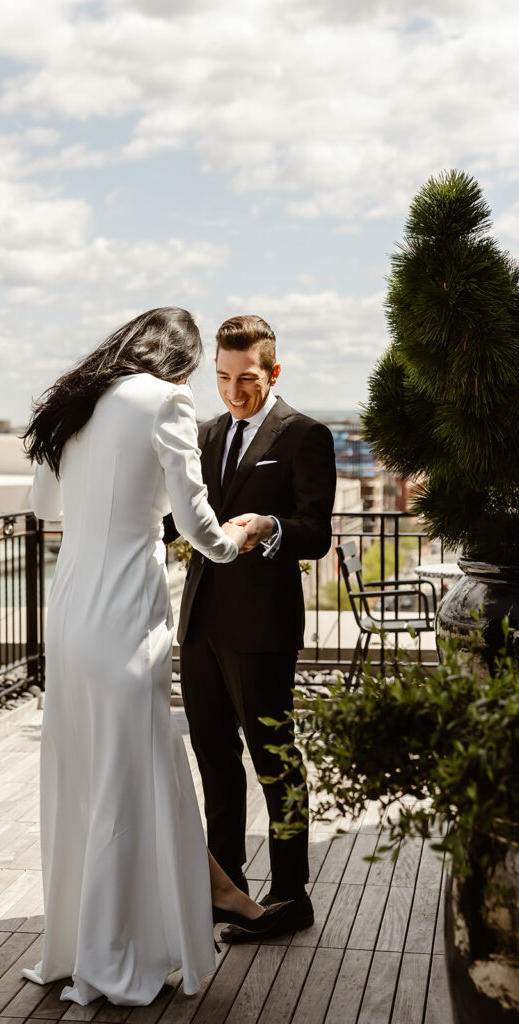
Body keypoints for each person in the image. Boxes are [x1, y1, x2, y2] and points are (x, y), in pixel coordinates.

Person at [20, 308, 290, 1007]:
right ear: (182, 359)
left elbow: (46, 504)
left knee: (89, 776)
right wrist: (239, 536)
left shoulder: (75, 403)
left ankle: (97, 939)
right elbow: (197, 523)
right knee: (128, 774)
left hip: (72, 611)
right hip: (125, 614)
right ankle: (120, 956)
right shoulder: (166, 399)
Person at [169, 314, 337, 942]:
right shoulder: (205, 433)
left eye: (247, 379)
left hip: (263, 628)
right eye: (221, 378)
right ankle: (227, 890)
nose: (234, 392)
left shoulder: (305, 435)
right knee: (214, 760)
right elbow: (180, 519)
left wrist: (268, 525)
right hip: (200, 626)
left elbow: (315, 534)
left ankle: (291, 896)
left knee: (274, 761)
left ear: (273, 372)